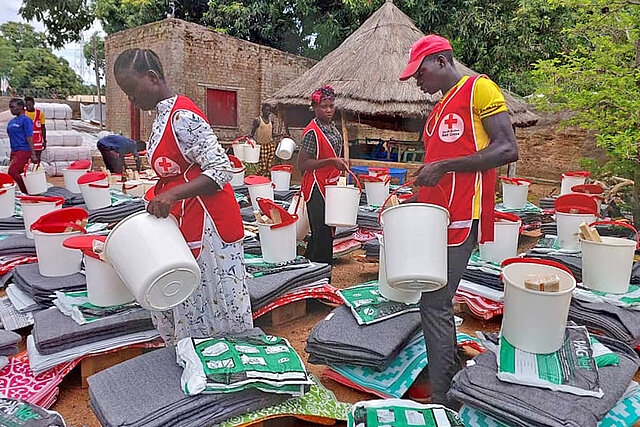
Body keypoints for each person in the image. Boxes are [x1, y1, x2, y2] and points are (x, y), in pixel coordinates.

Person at [399, 35, 518, 409]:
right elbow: (442, 162)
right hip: (436, 219)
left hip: (463, 217)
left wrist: (444, 167)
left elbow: (507, 148)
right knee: (435, 301)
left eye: (419, 73)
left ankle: (444, 396)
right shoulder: (438, 109)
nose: (417, 81)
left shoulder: (479, 89)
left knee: (434, 303)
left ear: (440, 61)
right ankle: (448, 378)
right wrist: (420, 180)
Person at [113, 48, 252, 343]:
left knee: (212, 294)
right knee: (189, 293)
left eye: (131, 90)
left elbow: (221, 169)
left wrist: (172, 194)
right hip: (186, 216)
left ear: (152, 78)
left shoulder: (183, 116)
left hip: (208, 223)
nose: (131, 100)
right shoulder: (163, 117)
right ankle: (194, 353)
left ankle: (220, 358)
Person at [298, 86, 348, 264]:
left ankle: (310, 267)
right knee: (322, 232)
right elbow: (303, 165)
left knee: (328, 230)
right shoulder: (312, 132)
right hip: (316, 187)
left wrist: (339, 163)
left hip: (331, 185)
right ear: (315, 107)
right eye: (324, 106)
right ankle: (322, 274)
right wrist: (330, 162)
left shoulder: (331, 128)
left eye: (331, 106)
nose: (328, 110)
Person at [6, 98, 37, 193]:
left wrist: (33, 154)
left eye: (13, 107)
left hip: (23, 150)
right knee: (18, 173)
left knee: (12, 172)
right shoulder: (12, 121)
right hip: (14, 150)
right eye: (10, 107)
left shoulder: (26, 120)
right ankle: (22, 192)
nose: (11, 109)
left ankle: (26, 192)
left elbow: (29, 137)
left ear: (20, 107)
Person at [250, 103, 276, 176]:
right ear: (262, 110)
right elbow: (252, 133)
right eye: (267, 110)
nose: (268, 112)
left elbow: (272, 134)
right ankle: (259, 179)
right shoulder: (258, 120)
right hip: (261, 145)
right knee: (262, 165)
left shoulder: (271, 122)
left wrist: (281, 135)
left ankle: (267, 179)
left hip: (270, 145)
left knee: (270, 165)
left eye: (269, 111)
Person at [24, 97, 46, 161]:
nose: (28, 107)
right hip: (27, 141)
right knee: (27, 159)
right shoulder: (23, 113)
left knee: (37, 158)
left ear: (33, 103)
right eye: (26, 105)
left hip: (38, 141)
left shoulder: (40, 113)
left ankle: (36, 170)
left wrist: (44, 140)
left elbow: (43, 128)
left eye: (29, 105)